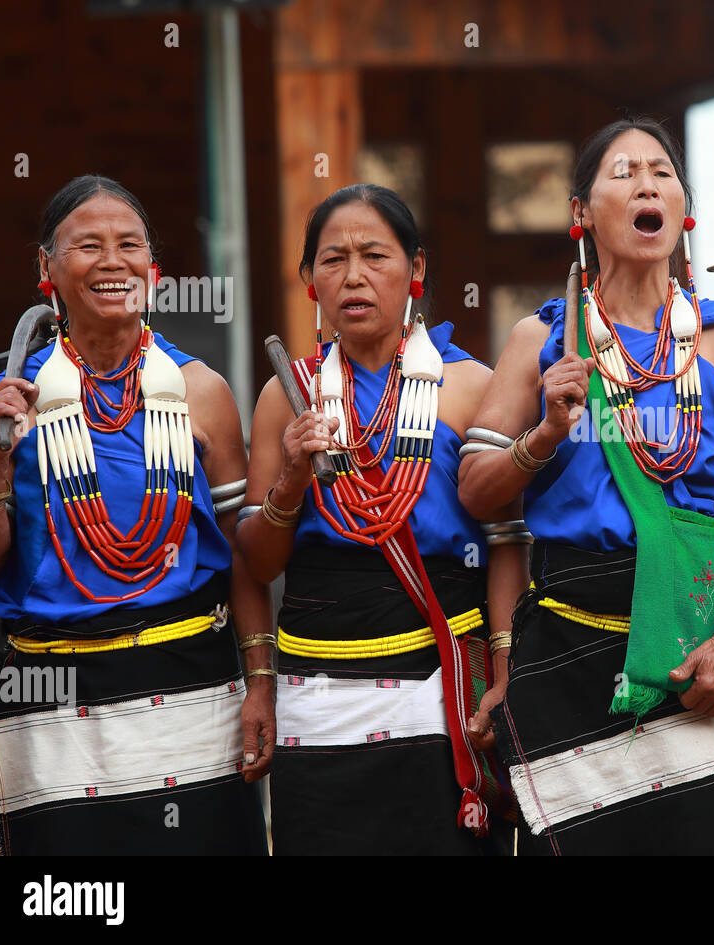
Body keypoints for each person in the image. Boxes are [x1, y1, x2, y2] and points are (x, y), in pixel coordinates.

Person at [458, 117, 714, 855]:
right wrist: (543, 436)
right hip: (568, 653)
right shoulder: (540, 340)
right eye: (623, 172)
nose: (647, 182)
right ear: (581, 213)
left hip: (691, 647)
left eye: (661, 171)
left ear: (683, 207)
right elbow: (478, 492)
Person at [0, 175, 270, 854]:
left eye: (128, 244)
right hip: (54, 703)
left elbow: (245, 558)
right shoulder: (7, 402)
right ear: (46, 268)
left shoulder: (202, 391)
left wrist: (261, 683)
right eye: (87, 245)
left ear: (154, 271)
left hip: (190, 690)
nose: (112, 261)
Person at [238, 184, 518, 854]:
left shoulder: (470, 387)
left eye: (374, 255)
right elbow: (257, 560)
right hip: (319, 695)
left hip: (442, 685)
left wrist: (505, 670)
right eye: (333, 260)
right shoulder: (287, 394)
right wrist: (290, 479)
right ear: (310, 281)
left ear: (416, 268)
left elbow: (508, 543)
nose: (354, 276)